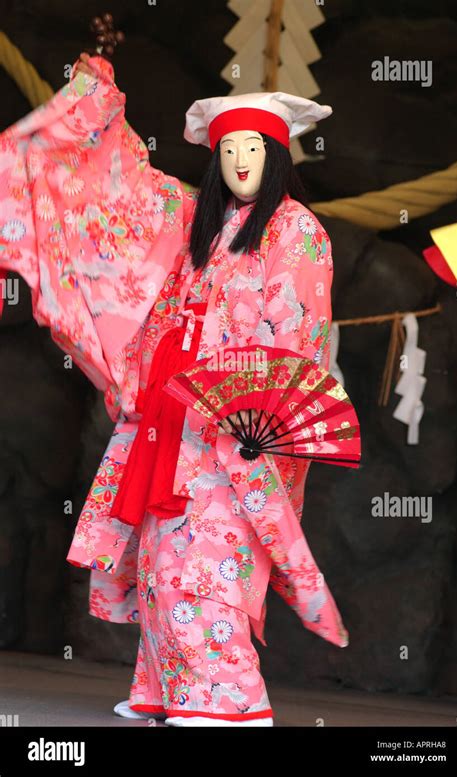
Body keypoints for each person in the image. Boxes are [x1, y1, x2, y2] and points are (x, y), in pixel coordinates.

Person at [0, 52, 348, 726]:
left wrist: (248, 411)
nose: (241, 159)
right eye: (229, 149)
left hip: (238, 423)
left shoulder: (298, 231)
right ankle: (166, 685)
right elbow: (128, 193)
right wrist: (95, 106)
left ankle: (228, 701)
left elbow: (296, 333)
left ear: (277, 156)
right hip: (175, 413)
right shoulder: (203, 230)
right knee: (166, 549)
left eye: (255, 147)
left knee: (210, 553)